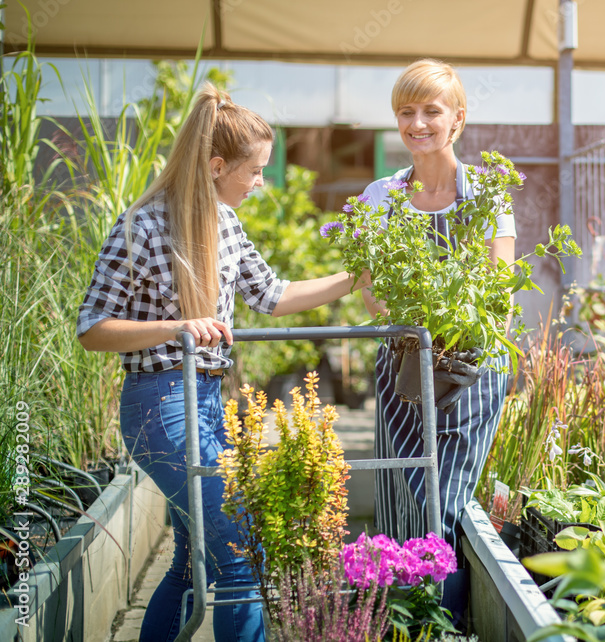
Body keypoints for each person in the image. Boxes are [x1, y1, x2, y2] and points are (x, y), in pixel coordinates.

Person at [76, 84, 366, 642]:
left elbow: (272, 295)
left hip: (207, 402)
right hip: (160, 404)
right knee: (237, 547)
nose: (262, 182)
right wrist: (177, 327)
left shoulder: (226, 223)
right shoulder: (142, 226)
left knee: (192, 559)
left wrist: (355, 277)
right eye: (255, 170)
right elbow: (92, 329)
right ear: (216, 165)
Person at [359, 58, 516, 621]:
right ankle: (399, 622)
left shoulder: (487, 192)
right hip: (402, 366)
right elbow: (371, 292)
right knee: (402, 499)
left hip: (471, 370)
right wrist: (413, 323)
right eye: (407, 112)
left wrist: (446, 330)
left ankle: (441, 624)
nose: (418, 123)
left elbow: (500, 291)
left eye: (432, 111)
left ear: (458, 119)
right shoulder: (382, 194)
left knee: (442, 503)